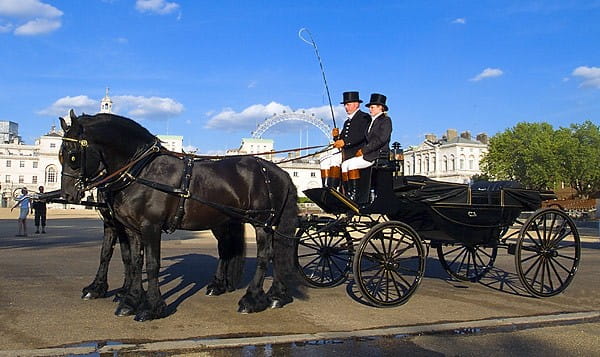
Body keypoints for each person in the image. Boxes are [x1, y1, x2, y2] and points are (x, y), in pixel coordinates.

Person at [341, 93, 392, 200]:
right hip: (369, 153)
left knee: (352, 165)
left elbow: (381, 139)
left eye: (372, 107)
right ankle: (348, 192)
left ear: (380, 108)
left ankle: (354, 194)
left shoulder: (386, 121)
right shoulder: (372, 122)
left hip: (377, 154)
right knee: (345, 164)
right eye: (370, 107)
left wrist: (364, 150)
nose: (370, 110)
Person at [320, 91, 371, 189]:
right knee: (324, 160)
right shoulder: (347, 122)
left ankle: (332, 187)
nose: (346, 107)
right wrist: (336, 137)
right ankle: (325, 186)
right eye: (345, 105)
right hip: (346, 150)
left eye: (348, 104)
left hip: (356, 151)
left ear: (356, 104)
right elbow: (342, 139)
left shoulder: (364, 117)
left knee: (334, 160)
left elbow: (362, 135)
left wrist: (345, 142)